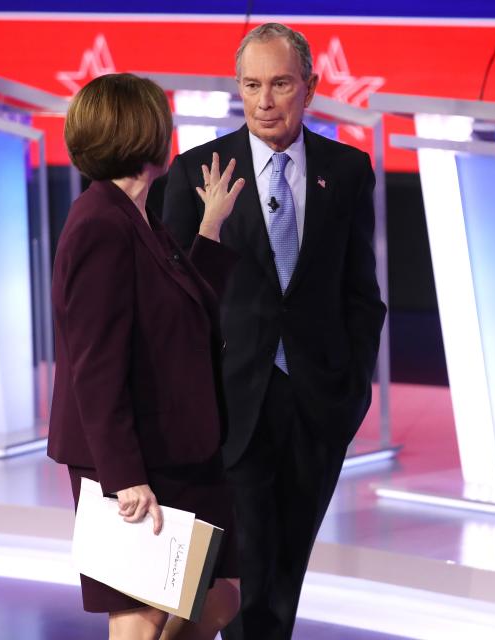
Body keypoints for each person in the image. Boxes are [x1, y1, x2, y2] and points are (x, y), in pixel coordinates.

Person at [161, 23, 386, 639]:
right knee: (245, 578)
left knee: (284, 576)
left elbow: (361, 294)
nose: (264, 100)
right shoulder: (194, 173)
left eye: (281, 84)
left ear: (309, 88)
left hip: (316, 404)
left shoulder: (346, 171)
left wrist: (351, 392)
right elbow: (176, 308)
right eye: (252, 84)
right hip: (231, 408)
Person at [47, 73, 246, 640]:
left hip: (176, 445)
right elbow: (95, 365)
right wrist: (124, 477)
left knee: (216, 596)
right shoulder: (99, 226)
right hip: (132, 457)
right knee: (142, 614)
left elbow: (178, 316)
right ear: (144, 133)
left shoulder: (136, 215)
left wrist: (209, 230)